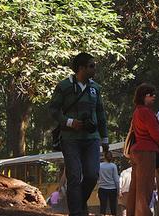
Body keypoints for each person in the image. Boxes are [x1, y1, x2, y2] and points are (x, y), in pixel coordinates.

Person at [48, 52, 109, 216]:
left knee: (92, 175)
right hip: (70, 139)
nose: (94, 68)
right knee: (74, 176)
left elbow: (101, 114)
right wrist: (69, 122)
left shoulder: (95, 88)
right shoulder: (64, 86)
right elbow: (53, 110)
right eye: (91, 66)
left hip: (92, 138)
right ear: (81, 68)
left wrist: (105, 140)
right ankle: (76, 212)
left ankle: (80, 203)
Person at [127, 83, 159, 216]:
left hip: (136, 151)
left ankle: (132, 213)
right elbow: (155, 132)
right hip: (146, 152)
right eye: (151, 94)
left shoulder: (137, 111)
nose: (154, 96)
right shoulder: (146, 112)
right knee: (145, 188)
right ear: (144, 96)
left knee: (135, 187)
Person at [98, 150, 120, 215]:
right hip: (112, 189)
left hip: (102, 188)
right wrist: (118, 190)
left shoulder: (100, 165)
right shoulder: (113, 166)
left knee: (102, 206)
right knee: (113, 206)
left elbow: (98, 176)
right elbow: (116, 179)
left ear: (104, 157)